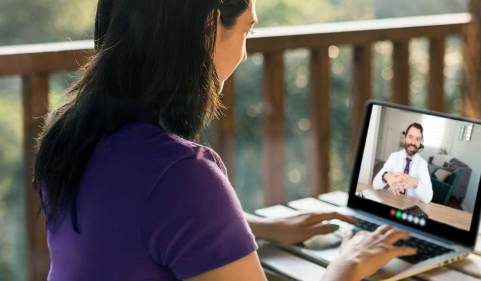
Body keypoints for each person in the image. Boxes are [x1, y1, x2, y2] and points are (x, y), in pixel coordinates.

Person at [32, 0, 417, 280]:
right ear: (210, 24)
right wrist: (348, 265)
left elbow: (128, 225)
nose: (246, 53)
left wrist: (253, 227)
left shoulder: (70, 133)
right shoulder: (181, 174)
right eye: (247, 29)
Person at [372, 123, 434, 203]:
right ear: (404, 139)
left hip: (410, 205)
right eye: (410, 137)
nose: (413, 142)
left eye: (417, 139)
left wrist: (415, 182)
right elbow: (375, 185)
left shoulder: (423, 164)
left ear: (420, 144)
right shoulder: (394, 156)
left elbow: (428, 197)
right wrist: (386, 176)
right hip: (391, 200)